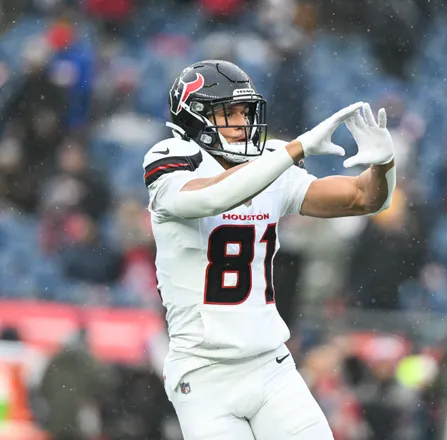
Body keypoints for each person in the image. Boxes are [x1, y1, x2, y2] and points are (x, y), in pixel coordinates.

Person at [143, 60, 396, 439]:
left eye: (245, 111)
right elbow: (214, 197)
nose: (243, 122)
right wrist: (293, 150)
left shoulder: (270, 162)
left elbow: (364, 199)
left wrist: (384, 164)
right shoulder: (171, 160)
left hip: (269, 364)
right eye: (229, 113)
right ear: (195, 117)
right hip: (203, 372)